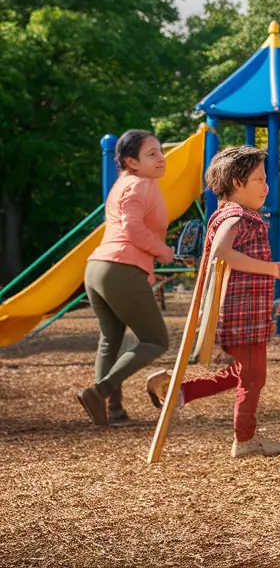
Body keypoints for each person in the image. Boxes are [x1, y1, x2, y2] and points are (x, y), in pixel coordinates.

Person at [145, 146, 280, 457]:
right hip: (242, 316)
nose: (266, 186)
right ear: (237, 183)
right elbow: (221, 253)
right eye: (259, 179)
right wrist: (272, 268)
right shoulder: (237, 216)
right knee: (254, 376)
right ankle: (245, 440)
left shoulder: (228, 213)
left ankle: (180, 392)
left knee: (245, 372)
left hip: (244, 312)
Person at [76, 130, 173, 427]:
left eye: (160, 150)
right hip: (119, 268)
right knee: (156, 340)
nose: (161, 158)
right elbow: (131, 229)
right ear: (131, 161)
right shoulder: (142, 184)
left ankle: (112, 411)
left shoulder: (123, 183)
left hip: (97, 269)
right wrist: (164, 252)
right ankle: (99, 392)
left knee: (110, 340)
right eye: (151, 154)